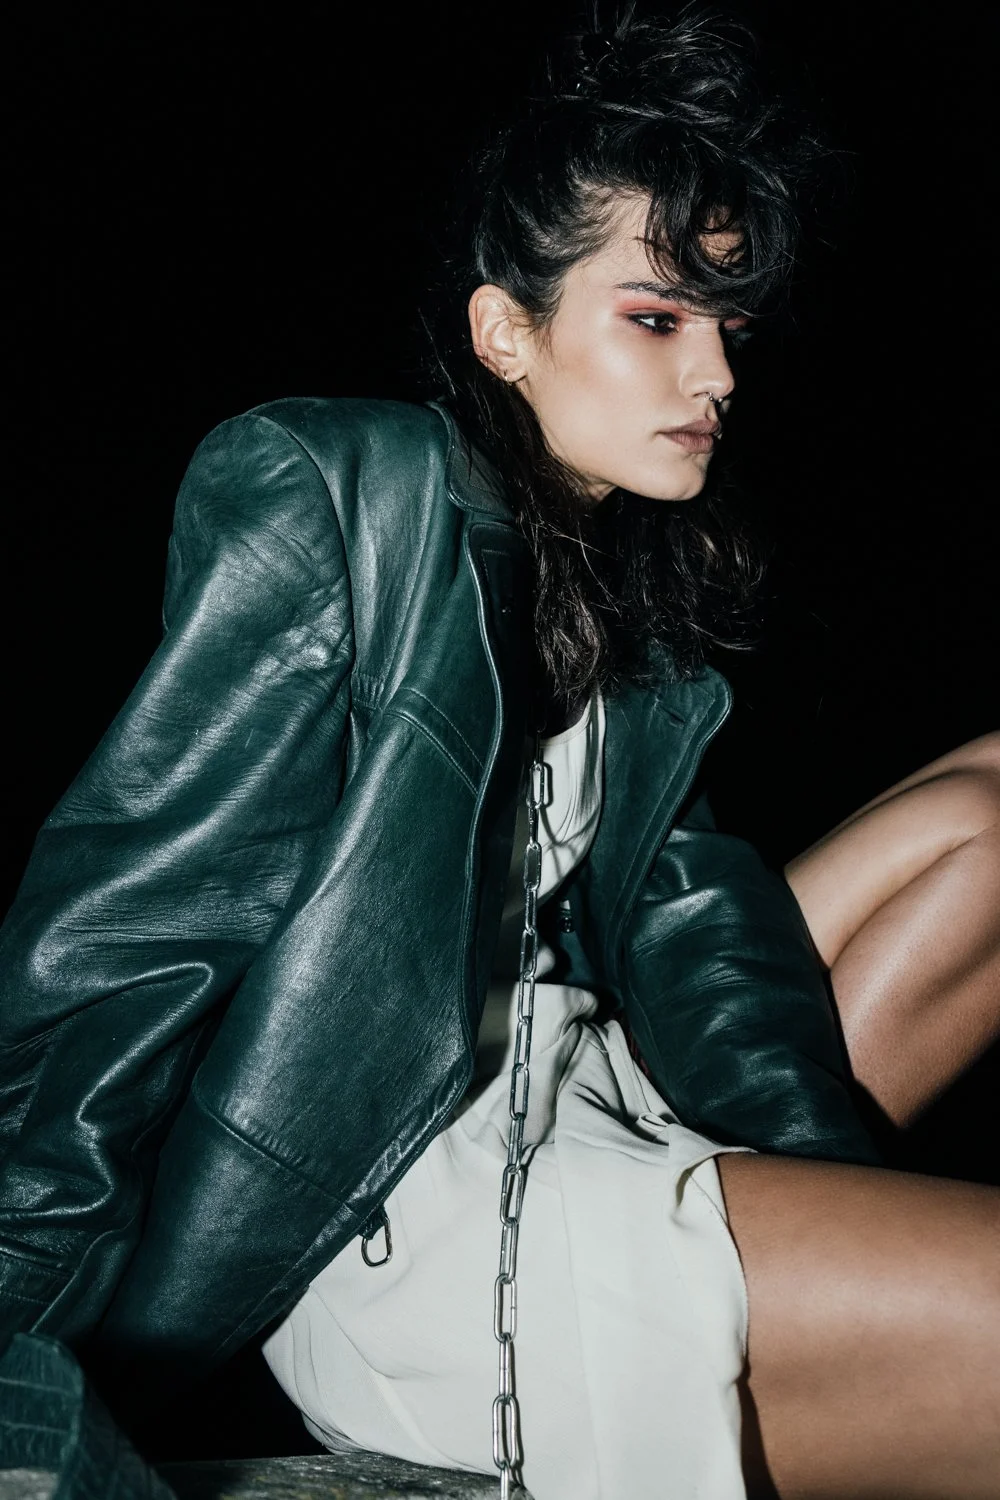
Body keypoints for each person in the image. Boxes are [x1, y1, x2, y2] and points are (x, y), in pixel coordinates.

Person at [0, 5, 997, 1498]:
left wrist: (827, 1210)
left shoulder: (637, 623)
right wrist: (19, 1360)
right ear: (504, 330)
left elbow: (715, 961)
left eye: (726, 328)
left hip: (594, 1099)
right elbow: (130, 938)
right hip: (424, 1208)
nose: (716, 375)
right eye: (655, 320)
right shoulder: (342, 495)